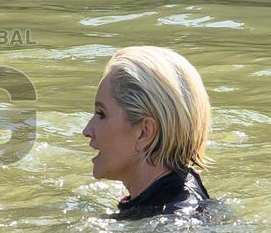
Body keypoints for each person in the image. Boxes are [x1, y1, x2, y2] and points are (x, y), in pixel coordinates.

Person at [82, 46, 213, 220]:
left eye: (101, 114)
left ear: (144, 132)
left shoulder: (172, 222)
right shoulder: (180, 201)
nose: (87, 130)